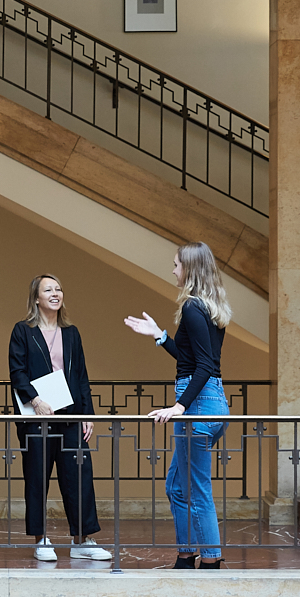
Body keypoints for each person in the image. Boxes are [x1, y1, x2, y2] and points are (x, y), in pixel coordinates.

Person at [123, 241, 232, 569]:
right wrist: (159, 335)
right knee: (176, 485)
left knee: (197, 489)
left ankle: (210, 559)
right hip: (209, 400)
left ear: (190, 269)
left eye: (176, 265)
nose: (172, 270)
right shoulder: (206, 308)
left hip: (199, 405)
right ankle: (186, 554)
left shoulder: (192, 308)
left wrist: (180, 407)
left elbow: (204, 367)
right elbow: (192, 360)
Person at [7, 274, 111, 562]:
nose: (55, 293)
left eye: (59, 288)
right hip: (37, 418)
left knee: (79, 477)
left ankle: (82, 540)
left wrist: (87, 415)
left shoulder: (72, 332)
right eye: (48, 289)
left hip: (70, 417)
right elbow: (17, 372)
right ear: (36, 298)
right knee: (37, 478)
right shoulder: (22, 331)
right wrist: (36, 400)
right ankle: (41, 539)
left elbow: (81, 377)